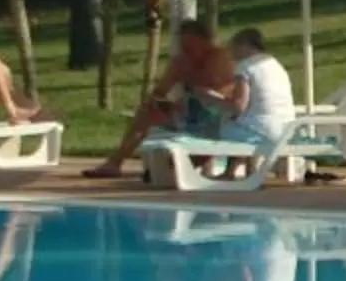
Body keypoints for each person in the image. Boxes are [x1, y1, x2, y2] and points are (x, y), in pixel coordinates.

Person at [83, 20, 235, 178]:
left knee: (188, 130)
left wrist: (192, 97)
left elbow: (224, 94)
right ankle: (115, 163)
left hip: (217, 116)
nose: (187, 51)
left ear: (206, 41)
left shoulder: (220, 59)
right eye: (184, 47)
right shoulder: (181, 62)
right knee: (146, 113)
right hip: (189, 114)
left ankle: (186, 165)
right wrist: (157, 102)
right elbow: (160, 91)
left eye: (191, 47)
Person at [221, 26, 298, 152]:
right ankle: (247, 169)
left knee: (224, 126)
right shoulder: (275, 64)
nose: (231, 53)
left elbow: (239, 106)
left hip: (264, 131)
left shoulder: (245, 66)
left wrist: (211, 98)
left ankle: (233, 169)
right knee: (242, 124)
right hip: (286, 130)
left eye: (233, 48)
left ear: (244, 45)